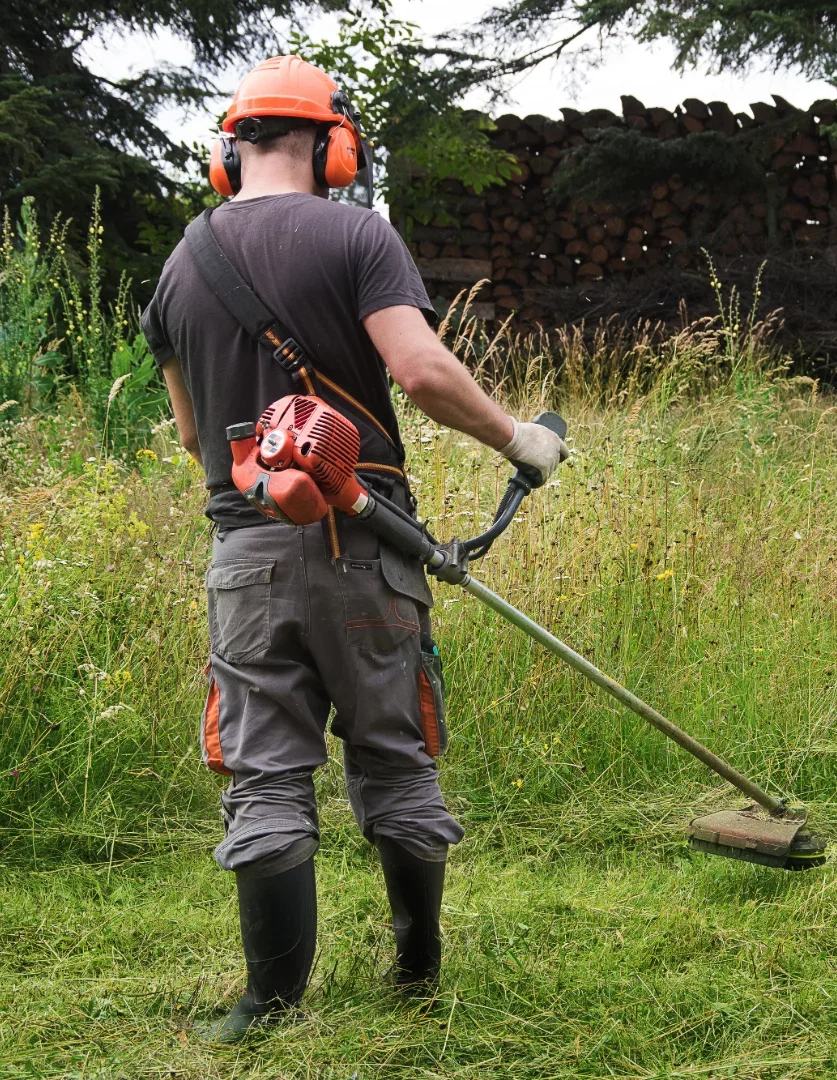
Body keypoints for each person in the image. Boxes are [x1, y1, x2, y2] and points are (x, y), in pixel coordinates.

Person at [141, 55, 568, 1043]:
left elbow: (195, 440)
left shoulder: (177, 267)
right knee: (393, 752)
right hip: (365, 551)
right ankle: (416, 970)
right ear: (336, 146)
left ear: (228, 153)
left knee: (266, 772)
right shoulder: (356, 234)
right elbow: (418, 370)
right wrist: (521, 441)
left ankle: (268, 1004)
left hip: (244, 558)